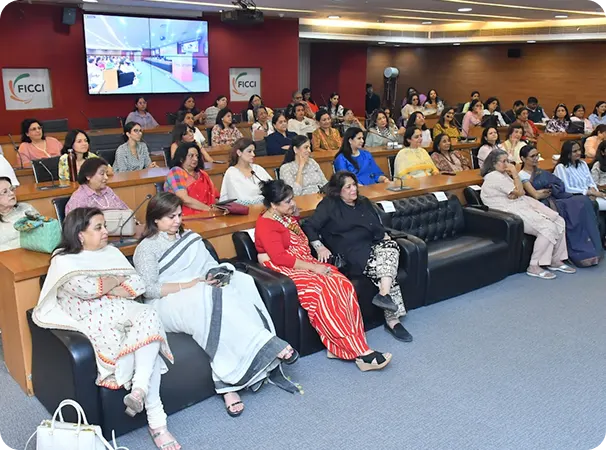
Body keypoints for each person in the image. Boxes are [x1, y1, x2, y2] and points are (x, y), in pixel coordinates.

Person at [133, 193, 298, 417]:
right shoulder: (146, 248)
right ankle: (265, 347)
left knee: (241, 281)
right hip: (165, 301)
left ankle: (228, 382)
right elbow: (149, 289)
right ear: (155, 219)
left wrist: (215, 274)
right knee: (206, 296)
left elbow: (209, 265)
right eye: (171, 217)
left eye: (179, 215)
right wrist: (189, 285)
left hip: (200, 287)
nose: (177, 221)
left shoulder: (189, 237)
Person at [33, 207, 180, 450]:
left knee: (149, 316)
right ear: (80, 235)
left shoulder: (111, 252)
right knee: (147, 345)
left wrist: (106, 286)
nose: (106, 232)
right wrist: (115, 281)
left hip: (120, 309)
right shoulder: (63, 260)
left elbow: (137, 284)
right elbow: (87, 289)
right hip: (94, 320)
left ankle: (139, 390)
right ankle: (158, 425)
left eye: (105, 226)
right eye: (98, 227)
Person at [255, 179, 392, 371]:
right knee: (325, 290)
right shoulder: (266, 224)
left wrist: (313, 262)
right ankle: (361, 354)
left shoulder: (284, 216)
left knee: (342, 284)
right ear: (273, 205)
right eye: (287, 201)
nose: (293, 203)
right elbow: (280, 257)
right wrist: (314, 268)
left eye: (292, 199)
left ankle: (340, 346)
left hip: (303, 262)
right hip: (284, 269)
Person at [303, 170, 412, 341]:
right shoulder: (329, 205)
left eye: (354, 185)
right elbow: (309, 226)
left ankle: (384, 295)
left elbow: (376, 226)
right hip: (351, 252)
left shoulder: (363, 202)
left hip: (373, 244)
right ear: (338, 190)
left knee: (390, 248)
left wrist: (384, 236)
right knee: (385, 268)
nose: (353, 189)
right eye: (348, 187)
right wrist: (319, 246)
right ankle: (392, 320)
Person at [480, 150, 575, 280]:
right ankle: (534, 266)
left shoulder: (502, 174)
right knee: (547, 228)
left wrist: (516, 192)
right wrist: (515, 174)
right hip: (509, 211)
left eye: (508, 161)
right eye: (504, 161)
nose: (507, 164)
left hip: (522, 204)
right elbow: (520, 191)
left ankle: (555, 260)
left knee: (559, 220)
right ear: (493, 163)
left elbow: (519, 192)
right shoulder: (493, 176)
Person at [519, 145, 601, 267]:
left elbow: (558, 185)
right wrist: (545, 191)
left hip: (555, 197)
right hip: (541, 203)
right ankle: (577, 251)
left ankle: (592, 246)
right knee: (573, 207)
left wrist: (549, 189)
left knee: (583, 201)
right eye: (532, 156)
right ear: (523, 159)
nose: (536, 158)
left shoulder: (541, 172)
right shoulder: (522, 175)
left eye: (537, 155)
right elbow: (535, 195)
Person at [165, 142, 218, 214]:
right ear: (181, 158)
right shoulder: (176, 172)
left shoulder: (202, 174)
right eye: (191, 156)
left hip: (208, 213)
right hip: (182, 215)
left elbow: (215, 196)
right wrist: (208, 209)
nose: (195, 159)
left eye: (197, 156)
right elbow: (183, 198)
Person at [555, 140, 606, 210]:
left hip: (590, 195)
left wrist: (593, 190)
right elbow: (567, 188)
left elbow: (591, 182)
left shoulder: (583, 164)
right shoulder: (561, 167)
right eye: (575, 151)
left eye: (579, 150)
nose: (579, 153)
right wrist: (588, 192)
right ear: (567, 153)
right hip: (574, 198)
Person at [220, 138, 272, 205]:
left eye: (253, 151)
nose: (253, 154)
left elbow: (273, 188)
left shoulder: (258, 168)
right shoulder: (231, 173)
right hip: (243, 209)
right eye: (249, 151)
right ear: (239, 152)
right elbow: (237, 199)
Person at [0, 176, 39, 251]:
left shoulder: (26, 208)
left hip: (33, 251)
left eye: (11, 189)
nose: (11, 193)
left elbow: (41, 230)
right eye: (5, 192)